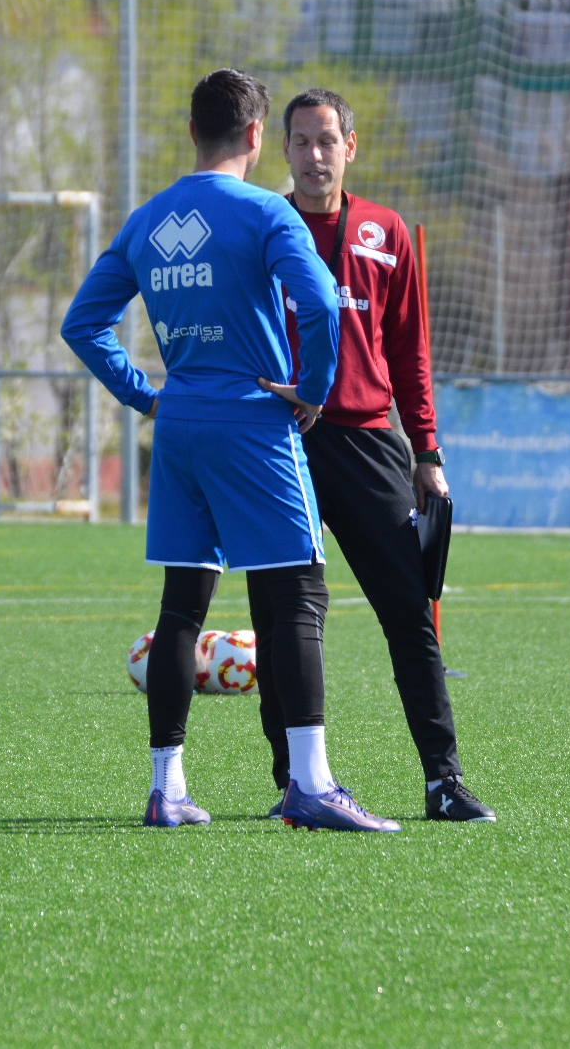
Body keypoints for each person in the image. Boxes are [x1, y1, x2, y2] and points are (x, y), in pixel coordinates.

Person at [60, 69, 400, 833]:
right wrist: (312, 389)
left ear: (192, 132)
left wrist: (147, 396)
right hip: (252, 424)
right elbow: (319, 302)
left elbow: (82, 325)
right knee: (299, 594)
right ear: (255, 135)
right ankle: (310, 783)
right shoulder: (264, 212)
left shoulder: (148, 219)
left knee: (182, 605)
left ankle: (167, 788)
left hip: (180, 426)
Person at [257, 88, 496, 823]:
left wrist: (426, 450)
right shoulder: (261, 226)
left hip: (367, 441)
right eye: (301, 141)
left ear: (350, 147)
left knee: (409, 613)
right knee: (281, 616)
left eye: (327, 140)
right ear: (283, 149)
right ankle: (296, 780)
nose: (314, 155)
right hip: (282, 441)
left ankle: (443, 780)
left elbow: (408, 350)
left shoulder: (384, 230)